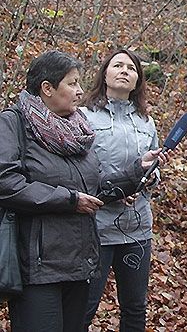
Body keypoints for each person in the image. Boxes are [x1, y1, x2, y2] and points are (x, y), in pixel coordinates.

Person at [0, 50, 163, 332]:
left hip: (79, 261)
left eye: (79, 83)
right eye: (72, 84)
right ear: (47, 88)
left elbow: (95, 187)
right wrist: (70, 200)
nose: (79, 91)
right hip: (38, 265)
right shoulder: (14, 123)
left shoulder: (77, 129)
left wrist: (138, 169)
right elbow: (7, 185)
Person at [82, 49, 160, 331]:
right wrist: (118, 187)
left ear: (138, 79)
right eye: (118, 65)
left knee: (135, 307)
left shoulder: (146, 121)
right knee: (85, 306)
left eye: (131, 67)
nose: (124, 70)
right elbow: (81, 171)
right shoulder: (83, 116)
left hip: (136, 229)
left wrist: (149, 179)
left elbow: (154, 168)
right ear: (105, 73)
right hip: (96, 228)